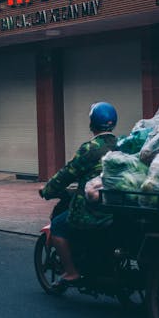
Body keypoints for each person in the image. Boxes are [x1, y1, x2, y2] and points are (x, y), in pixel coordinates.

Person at [39, 102, 118, 287]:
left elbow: (67, 173)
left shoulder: (89, 149)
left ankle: (72, 272)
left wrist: (47, 190)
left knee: (58, 225)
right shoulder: (120, 145)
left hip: (93, 209)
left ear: (92, 124)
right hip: (115, 206)